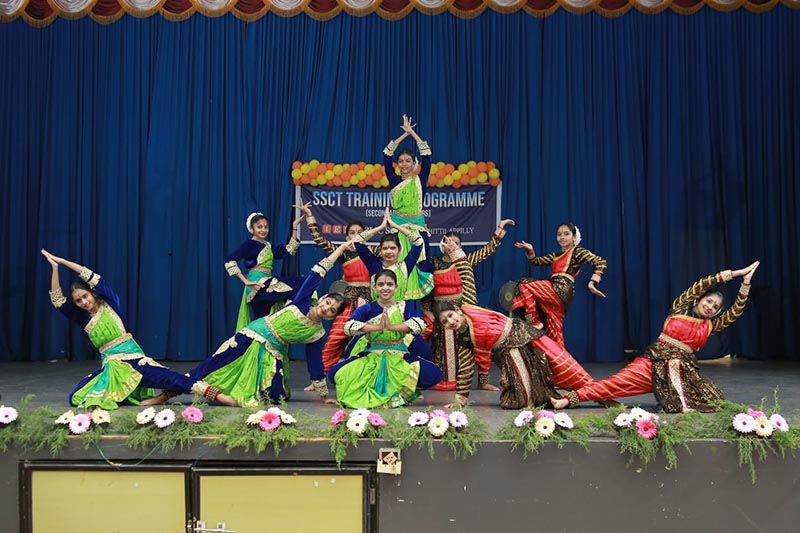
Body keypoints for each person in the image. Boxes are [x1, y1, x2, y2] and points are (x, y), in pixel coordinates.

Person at [551, 262, 760, 412]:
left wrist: (745, 285)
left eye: (715, 307)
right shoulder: (680, 308)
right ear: (698, 300)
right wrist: (736, 274)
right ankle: (568, 399)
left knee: (714, 401)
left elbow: (735, 312)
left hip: (681, 374)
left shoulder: (710, 325)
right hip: (653, 363)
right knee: (613, 383)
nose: (710, 307)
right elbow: (703, 283)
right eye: (709, 301)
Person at [41, 249, 229, 409]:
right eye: (78, 300)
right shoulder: (84, 318)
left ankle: (221, 397)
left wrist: (63, 261)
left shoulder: (110, 303)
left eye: (85, 296)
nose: (84, 302)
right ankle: (157, 396)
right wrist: (55, 269)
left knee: (174, 379)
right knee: (75, 396)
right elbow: (58, 300)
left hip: (135, 362)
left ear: (92, 293)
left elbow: (93, 277)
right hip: (113, 369)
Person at [189, 243, 356, 407]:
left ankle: (230, 392)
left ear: (331, 317)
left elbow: (315, 362)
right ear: (322, 298)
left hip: (273, 350)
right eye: (327, 303)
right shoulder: (302, 301)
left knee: (276, 396)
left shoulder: (317, 333)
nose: (326, 308)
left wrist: (323, 396)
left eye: (331, 310)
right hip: (254, 336)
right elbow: (319, 272)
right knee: (214, 366)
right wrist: (341, 248)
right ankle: (185, 384)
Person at [422, 221, 514, 397]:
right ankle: (437, 381)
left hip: (463, 311)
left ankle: (483, 381)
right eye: (448, 242)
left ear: (460, 246)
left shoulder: (465, 260)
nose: (451, 245)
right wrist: (427, 310)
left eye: (455, 243)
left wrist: (500, 230)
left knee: (477, 346)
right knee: (439, 347)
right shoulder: (434, 263)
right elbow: (425, 287)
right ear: (442, 244)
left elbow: (488, 250)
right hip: (441, 312)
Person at [329, 269, 442, 409]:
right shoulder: (367, 309)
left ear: (396, 287)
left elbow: (419, 325)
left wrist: (392, 327)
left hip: (398, 356)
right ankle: (388, 391)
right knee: (336, 373)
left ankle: (403, 391)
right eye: (381, 284)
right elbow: (349, 327)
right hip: (372, 355)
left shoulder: (404, 307)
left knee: (435, 374)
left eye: (389, 284)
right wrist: (377, 327)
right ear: (375, 287)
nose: (385, 288)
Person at [298, 202, 379, 373]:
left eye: (360, 232)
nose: (356, 236)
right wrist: (309, 215)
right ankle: (319, 376)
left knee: (366, 340)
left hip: (370, 302)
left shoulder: (373, 250)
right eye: (352, 233)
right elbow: (320, 240)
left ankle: (362, 374)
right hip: (348, 301)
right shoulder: (343, 252)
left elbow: (394, 251)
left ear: (366, 234)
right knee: (334, 338)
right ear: (347, 237)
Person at [435, 302, 558, 409]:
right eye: (445, 322)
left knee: (556, 365)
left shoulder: (473, 309)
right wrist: (460, 400)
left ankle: (546, 400)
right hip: (505, 352)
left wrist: (532, 321)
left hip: (520, 335)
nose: (450, 321)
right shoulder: (465, 339)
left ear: (457, 310)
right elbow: (467, 367)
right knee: (512, 401)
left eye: (450, 315)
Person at [512, 222, 607, 349]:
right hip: (557, 294)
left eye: (566, 234)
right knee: (555, 339)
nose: (562, 237)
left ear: (574, 237)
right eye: (559, 234)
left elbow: (600, 261)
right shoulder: (556, 255)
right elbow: (536, 261)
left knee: (523, 284)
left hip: (561, 288)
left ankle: (533, 321)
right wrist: (530, 250)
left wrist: (592, 282)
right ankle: (562, 361)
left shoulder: (577, 251)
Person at [224, 212, 306, 329]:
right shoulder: (249, 244)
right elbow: (229, 261)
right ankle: (294, 312)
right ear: (252, 228)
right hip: (257, 286)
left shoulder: (269, 246)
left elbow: (290, 250)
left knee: (264, 325)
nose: (263, 230)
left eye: (266, 227)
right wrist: (245, 281)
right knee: (302, 283)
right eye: (259, 227)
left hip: (266, 286)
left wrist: (295, 226)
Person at [382, 114, 434, 299]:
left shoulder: (420, 179)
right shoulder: (394, 180)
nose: (404, 164)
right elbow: (386, 155)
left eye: (408, 161)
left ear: (414, 163)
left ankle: (419, 308)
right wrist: (403, 135)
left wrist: (412, 132)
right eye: (401, 161)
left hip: (418, 226)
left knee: (423, 264)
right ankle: (395, 300)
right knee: (396, 263)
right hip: (397, 227)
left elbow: (427, 156)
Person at [355, 208, 426, 302]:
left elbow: (419, 242)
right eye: (385, 248)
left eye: (392, 248)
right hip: (377, 310)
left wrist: (396, 226)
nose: (388, 252)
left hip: (399, 310)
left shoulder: (404, 267)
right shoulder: (374, 265)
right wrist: (381, 227)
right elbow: (357, 241)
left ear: (399, 250)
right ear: (380, 251)